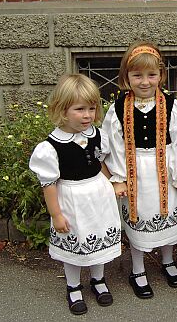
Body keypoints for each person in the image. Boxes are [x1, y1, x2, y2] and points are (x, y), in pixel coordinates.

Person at [102, 42, 177, 299]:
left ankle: (167, 260)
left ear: (161, 76)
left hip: (165, 170)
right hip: (135, 174)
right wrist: (118, 178)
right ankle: (138, 268)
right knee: (138, 219)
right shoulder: (118, 108)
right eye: (137, 75)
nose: (145, 82)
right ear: (126, 77)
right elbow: (113, 144)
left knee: (167, 219)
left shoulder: (172, 106)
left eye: (151, 75)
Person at [29, 74, 122, 315]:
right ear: (62, 110)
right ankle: (73, 286)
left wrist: (113, 182)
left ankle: (98, 279)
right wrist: (56, 214)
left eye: (91, 108)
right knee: (76, 243)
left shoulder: (98, 135)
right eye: (79, 109)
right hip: (71, 199)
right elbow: (48, 184)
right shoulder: (50, 147)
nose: (87, 115)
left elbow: (101, 162)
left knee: (98, 238)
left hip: (98, 195)